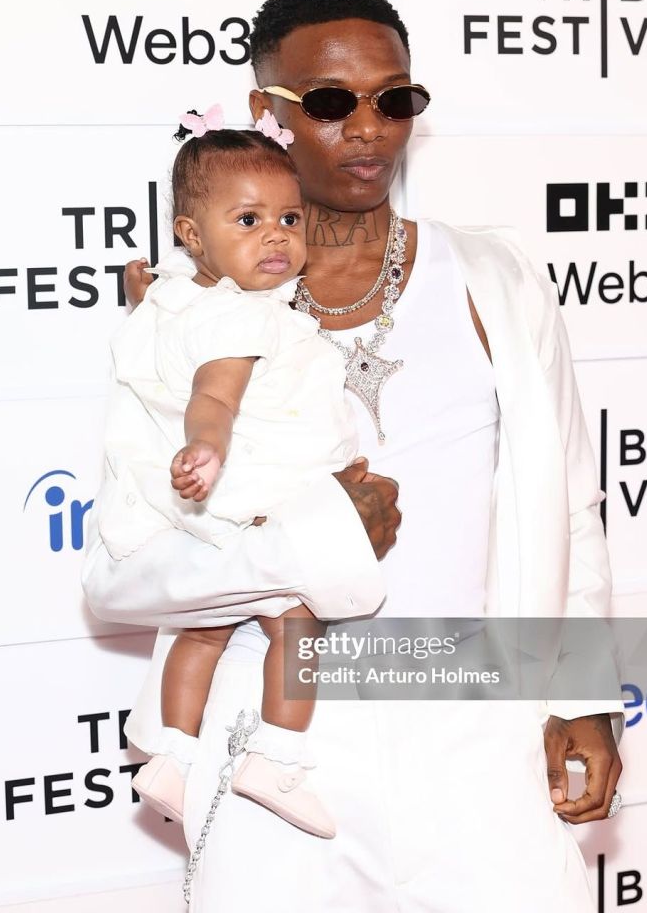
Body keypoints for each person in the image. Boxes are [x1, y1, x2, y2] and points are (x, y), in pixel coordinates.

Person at [82, 0, 625, 912]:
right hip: (275, 740)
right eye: (331, 102)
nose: (369, 128)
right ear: (268, 111)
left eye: (395, 99)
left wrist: (581, 691)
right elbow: (119, 578)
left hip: (475, 729)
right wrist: (319, 543)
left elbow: (571, 501)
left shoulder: (494, 278)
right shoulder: (184, 320)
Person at [92, 115, 387, 838]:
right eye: (249, 221)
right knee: (299, 628)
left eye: (290, 218)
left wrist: (145, 292)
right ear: (192, 235)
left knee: (202, 629)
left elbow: (172, 337)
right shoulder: (242, 318)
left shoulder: (188, 297)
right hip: (258, 495)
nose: (277, 237)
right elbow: (215, 397)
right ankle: (276, 758)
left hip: (215, 507)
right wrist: (207, 447)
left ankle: (170, 755)